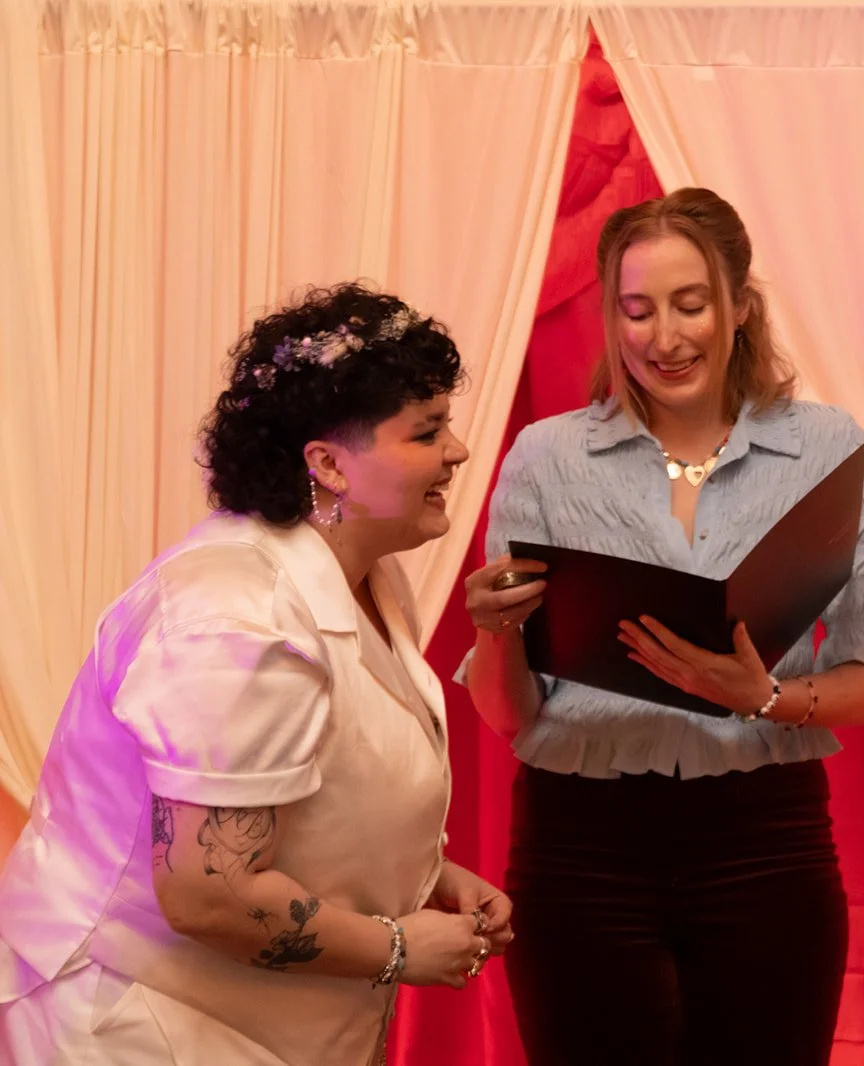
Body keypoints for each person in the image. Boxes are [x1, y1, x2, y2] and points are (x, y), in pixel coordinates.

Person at [462, 187, 864, 1066]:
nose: (664, 338)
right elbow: (511, 718)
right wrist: (494, 632)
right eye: (636, 311)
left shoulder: (826, 449)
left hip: (764, 844)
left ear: (739, 304)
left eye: (690, 304)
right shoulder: (546, 458)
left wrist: (769, 697)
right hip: (579, 849)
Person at [0, 283, 513, 1066]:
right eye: (428, 431)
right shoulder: (238, 621)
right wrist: (398, 947)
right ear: (328, 464)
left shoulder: (362, 573)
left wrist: (422, 871)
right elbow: (211, 892)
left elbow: (310, 790)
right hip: (140, 1024)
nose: (458, 450)